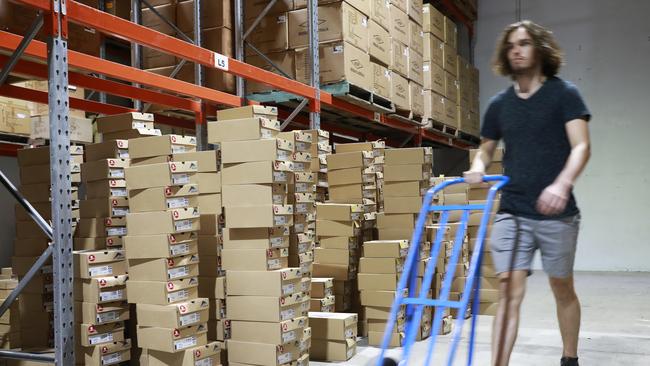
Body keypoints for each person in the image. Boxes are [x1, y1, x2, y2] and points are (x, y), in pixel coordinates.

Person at [464, 21, 591, 366]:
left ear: (540, 50)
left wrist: (561, 184)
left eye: (524, 43)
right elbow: (485, 149)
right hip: (513, 210)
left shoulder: (564, 95)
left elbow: (581, 147)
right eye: (511, 46)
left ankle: (569, 358)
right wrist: (478, 166)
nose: (517, 50)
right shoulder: (499, 104)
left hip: (557, 214)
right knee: (507, 290)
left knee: (561, 288)